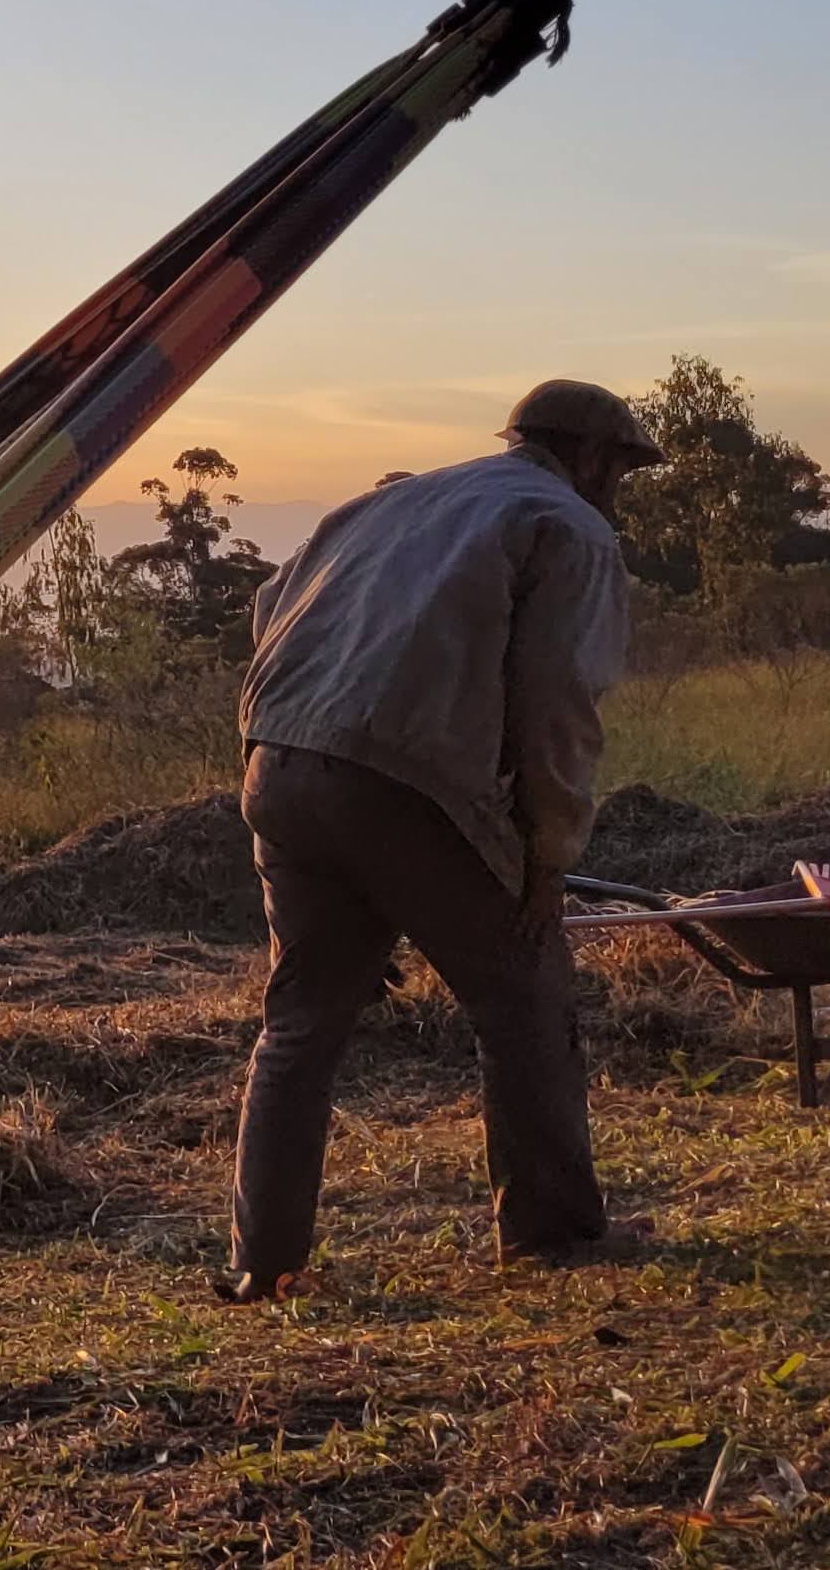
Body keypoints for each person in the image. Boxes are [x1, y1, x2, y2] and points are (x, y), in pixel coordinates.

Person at [216, 380, 665, 1302]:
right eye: (620, 470)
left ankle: (265, 1262)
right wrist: (547, 860)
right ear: (588, 456)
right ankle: (554, 1237)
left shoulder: (388, 500)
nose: (617, 489)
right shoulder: (567, 527)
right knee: (526, 996)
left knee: (300, 1023)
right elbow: (557, 712)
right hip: (406, 780)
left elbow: (270, 607)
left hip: (281, 764)